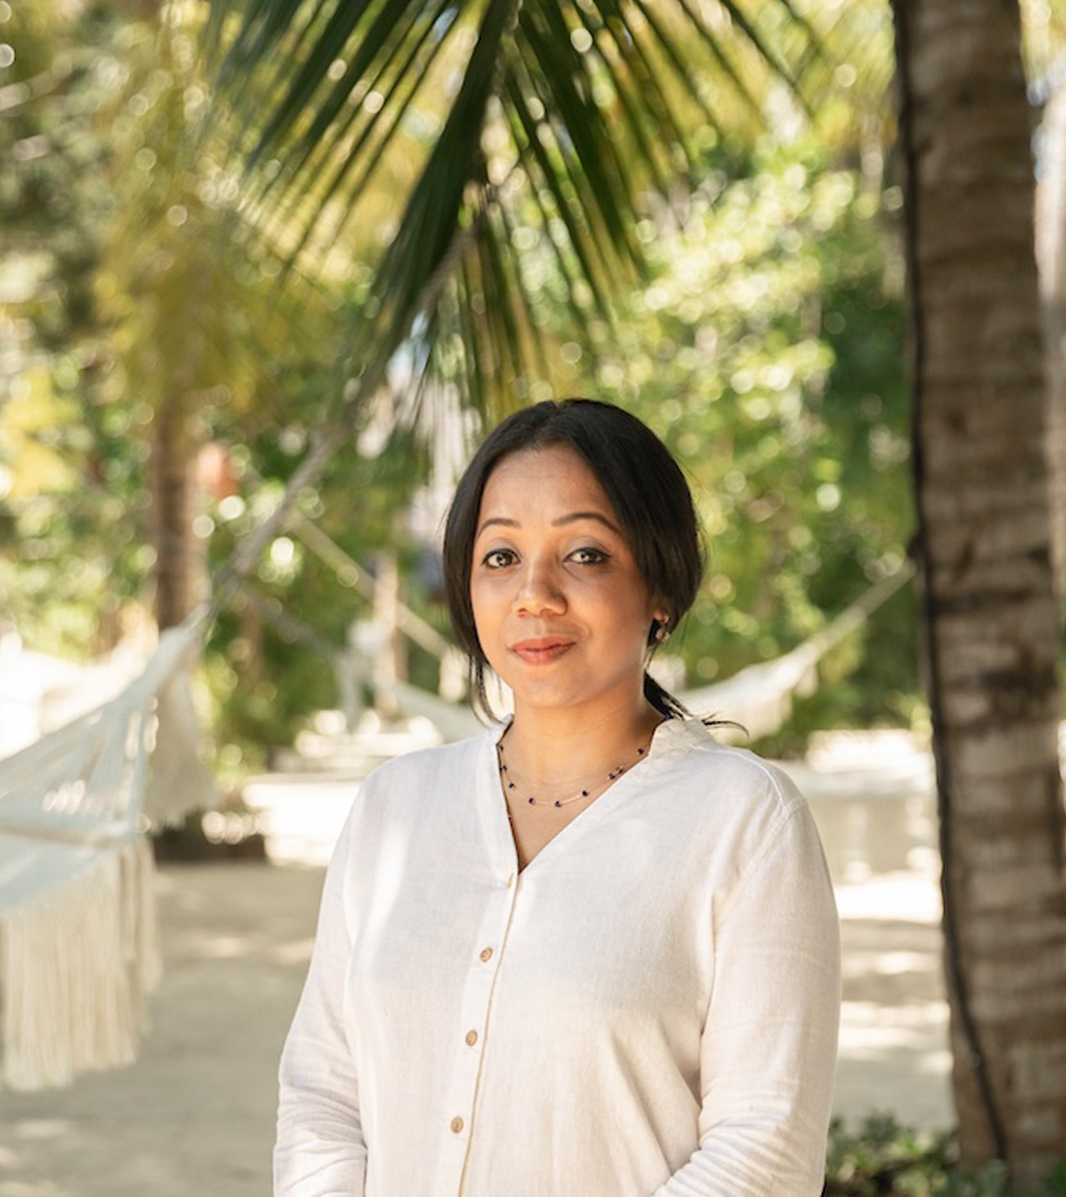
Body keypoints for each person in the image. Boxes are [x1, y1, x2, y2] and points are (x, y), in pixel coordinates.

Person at [273, 397, 842, 1196]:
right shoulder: (392, 810)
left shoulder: (745, 823)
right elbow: (323, 1094)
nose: (534, 593)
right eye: (502, 555)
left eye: (584, 553)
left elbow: (765, 1150)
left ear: (660, 586)